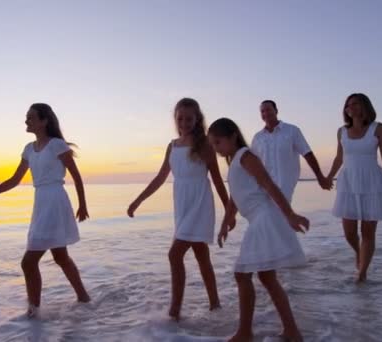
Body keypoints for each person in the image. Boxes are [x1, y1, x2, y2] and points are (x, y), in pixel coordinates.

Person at [0, 103, 90, 317]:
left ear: (44, 121)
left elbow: (75, 175)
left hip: (55, 201)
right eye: (26, 117)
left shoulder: (57, 145)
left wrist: (82, 204)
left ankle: (33, 311)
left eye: (31, 117)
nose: (27, 121)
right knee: (61, 257)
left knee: (28, 261)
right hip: (41, 201)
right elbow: (14, 180)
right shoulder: (28, 149)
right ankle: (84, 298)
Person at [127, 98, 232, 320]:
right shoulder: (172, 146)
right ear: (175, 119)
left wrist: (229, 213)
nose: (184, 122)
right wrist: (138, 200)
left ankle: (174, 312)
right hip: (182, 207)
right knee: (202, 256)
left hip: (200, 205)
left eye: (189, 118)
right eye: (180, 118)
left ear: (197, 119)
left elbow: (218, 181)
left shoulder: (204, 145)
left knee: (174, 254)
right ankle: (215, 305)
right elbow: (160, 178)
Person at [209, 117, 309, 342]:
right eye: (213, 144)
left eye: (218, 142)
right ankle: (291, 331)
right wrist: (227, 221)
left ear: (233, 136)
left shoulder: (246, 156)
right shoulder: (234, 160)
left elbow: (269, 185)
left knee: (242, 274)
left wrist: (290, 214)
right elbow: (236, 195)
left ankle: (246, 333)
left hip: (265, 217)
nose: (215, 149)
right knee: (266, 277)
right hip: (258, 220)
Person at [326, 93, 382, 283]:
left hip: (372, 183)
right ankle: (359, 252)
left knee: (368, 232)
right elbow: (338, 158)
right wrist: (328, 177)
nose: (350, 107)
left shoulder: (379, 128)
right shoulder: (341, 131)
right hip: (348, 183)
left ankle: (362, 272)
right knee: (349, 232)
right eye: (347, 105)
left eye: (355, 104)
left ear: (365, 106)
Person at [251, 100, 331, 202]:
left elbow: (307, 153)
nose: (265, 113)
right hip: (263, 187)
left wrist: (320, 177)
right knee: (267, 216)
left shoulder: (292, 131)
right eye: (262, 111)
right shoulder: (258, 138)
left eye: (268, 110)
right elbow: (253, 163)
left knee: (282, 215)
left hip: (285, 186)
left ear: (276, 111)